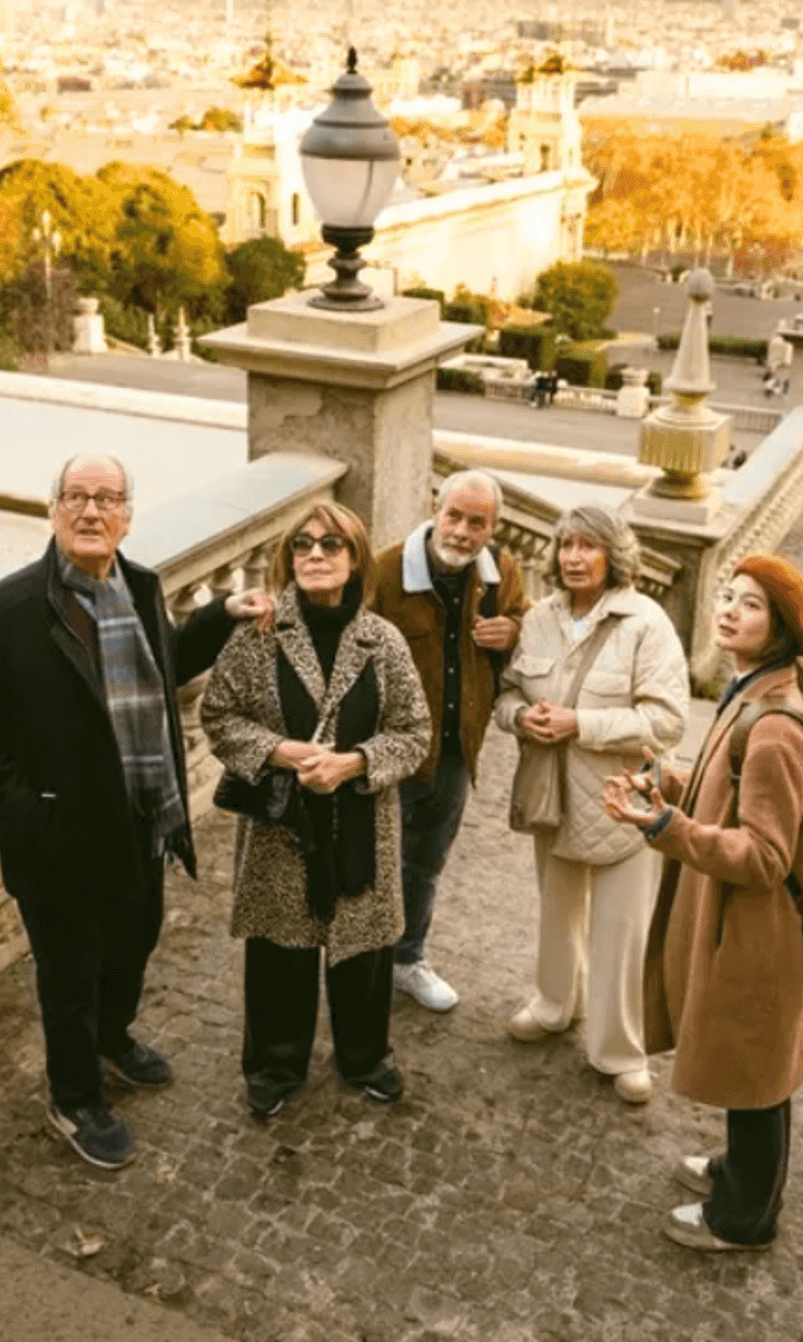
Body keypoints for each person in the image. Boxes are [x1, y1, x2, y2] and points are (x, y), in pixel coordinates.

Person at [0, 452, 271, 1168]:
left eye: (107, 498)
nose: (91, 511)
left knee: (133, 945)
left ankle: (112, 1039)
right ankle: (74, 1097)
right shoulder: (5, 612)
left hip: (142, 821)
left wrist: (222, 615)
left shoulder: (139, 587)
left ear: (127, 516)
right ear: (54, 511)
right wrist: (31, 816)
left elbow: (164, 667)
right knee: (70, 980)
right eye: (77, 497)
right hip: (59, 839)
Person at [201, 500, 432, 1120]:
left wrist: (353, 763)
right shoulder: (259, 633)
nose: (315, 555)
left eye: (332, 544)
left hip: (363, 824)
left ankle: (365, 1058)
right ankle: (274, 1065)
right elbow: (217, 715)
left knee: (364, 951)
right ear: (288, 558)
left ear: (356, 559)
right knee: (280, 949)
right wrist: (278, 751)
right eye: (302, 544)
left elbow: (414, 732)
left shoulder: (382, 641)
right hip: (282, 826)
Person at [606, 555, 803, 1251]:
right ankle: (739, 1173)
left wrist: (669, 827)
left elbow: (768, 856)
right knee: (752, 1061)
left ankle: (744, 1219)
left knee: (756, 1071)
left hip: (758, 928)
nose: (727, 611)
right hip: (741, 922)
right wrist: (671, 779)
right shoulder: (750, 692)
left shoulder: (774, 725)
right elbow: (732, 786)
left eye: (750, 604)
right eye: (726, 595)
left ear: (781, 627)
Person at [495, 504, 688, 1104]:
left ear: (614, 555)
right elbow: (507, 694)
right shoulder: (539, 619)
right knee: (556, 913)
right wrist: (521, 718)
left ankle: (621, 1051)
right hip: (551, 795)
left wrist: (580, 723)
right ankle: (554, 1004)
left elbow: (667, 720)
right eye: (566, 545)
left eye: (589, 546)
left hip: (622, 801)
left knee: (621, 933)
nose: (574, 557)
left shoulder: (647, 623)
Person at [371, 470, 528, 1012]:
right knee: (371, 859)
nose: (461, 532)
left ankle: (407, 959)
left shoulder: (502, 573)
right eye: (454, 516)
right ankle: (360, 962)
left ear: (494, 527)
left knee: (425, 862)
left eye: (476, 523)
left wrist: (513, 633)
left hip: (455, 748)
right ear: (435, 509)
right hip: (389, 748)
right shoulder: (386, 571)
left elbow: (525, 626)